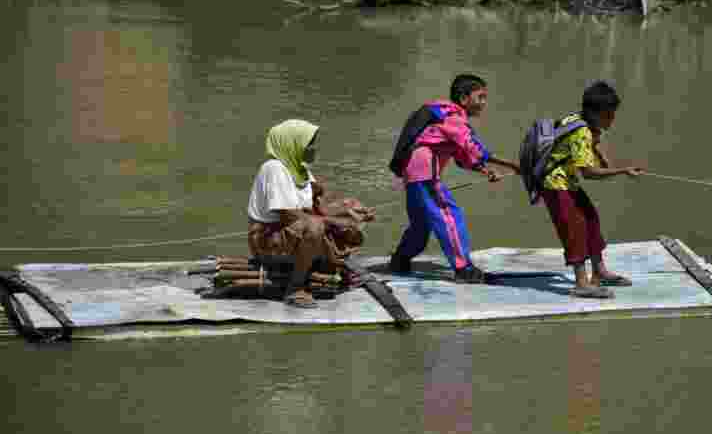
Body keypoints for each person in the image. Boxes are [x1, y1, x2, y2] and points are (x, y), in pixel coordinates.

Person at [387, 74, 520, 283]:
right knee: (448, 216)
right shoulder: (453, 117)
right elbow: (474, 147)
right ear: (464, 98)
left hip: (413, 173)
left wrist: (484, 170)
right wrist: (512, 165)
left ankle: (400, 259)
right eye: (480, 97)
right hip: (425, 173)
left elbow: (462, 155)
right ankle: (463, 268)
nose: (483, 103)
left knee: (421, 223)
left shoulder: (442, 114)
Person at [247, 119, 374, 309]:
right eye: (309, 144)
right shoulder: (274, 168)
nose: (313, 148)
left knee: (348, 210)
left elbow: (319, 205)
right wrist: (333, 221)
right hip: (268, 241)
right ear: (293, 144)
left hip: (295, 230)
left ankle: (324, 265)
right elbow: (287, 215)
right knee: (316, 227)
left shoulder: (300, 168)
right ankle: (296, 287)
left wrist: (351, 212)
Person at [540, 81, 644, 299]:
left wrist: (601, 155)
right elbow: (587, 172)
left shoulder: (578, 118)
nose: (612, 120)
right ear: (594, 113)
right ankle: (581, 283)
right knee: (574, 228)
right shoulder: (581, 132)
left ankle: (599, 271)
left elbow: (592, 142)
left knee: (590, 218)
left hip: (567, 181)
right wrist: (622, 171)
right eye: (608, 115)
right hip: (555, 184)